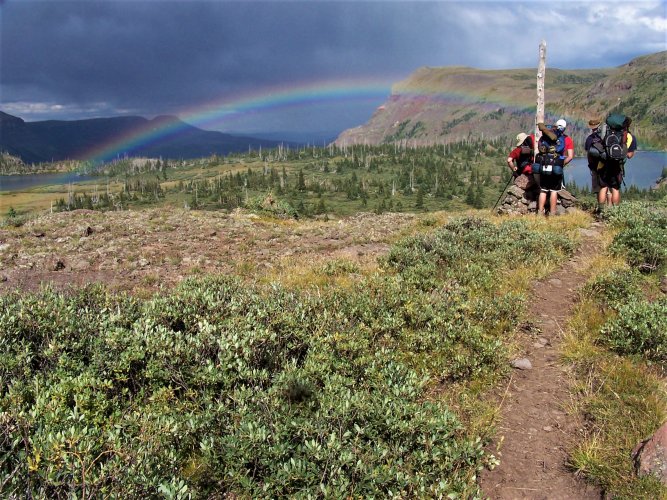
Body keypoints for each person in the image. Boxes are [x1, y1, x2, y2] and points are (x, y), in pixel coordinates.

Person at [536, 119, 574, 216]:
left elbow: (539, 149)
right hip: (556, 165)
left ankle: (540, 212)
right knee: (554, 191)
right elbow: (570, 156)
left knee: (543, 190)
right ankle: (552, 213)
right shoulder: (564, 138)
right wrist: (561, 164)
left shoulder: (543, 138)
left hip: (544, 165)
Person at [597, 116, 637, 207]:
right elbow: (629, 155)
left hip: (604, 163)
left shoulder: (605, 133)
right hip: (617, 165)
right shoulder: (629, 136)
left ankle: (601, 210)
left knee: (603, 187)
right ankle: (615, 212)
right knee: (615, 188)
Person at [584, 118, 603, 195]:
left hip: (594, 166)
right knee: (607, 188)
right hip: (605, 164)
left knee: (598, 189)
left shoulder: (590, 138)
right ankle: (610, 206)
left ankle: (600, 206)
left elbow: (587, 150)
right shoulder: (604, 137)